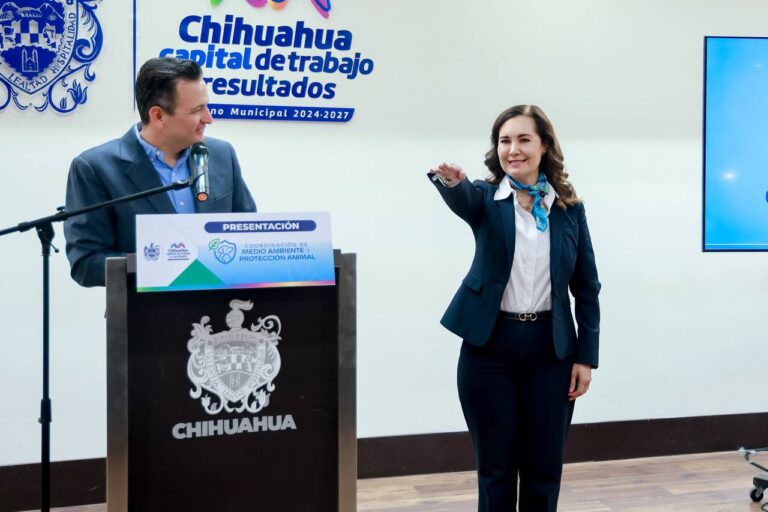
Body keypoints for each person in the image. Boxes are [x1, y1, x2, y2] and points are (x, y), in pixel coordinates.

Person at [428, 105, 600, 512]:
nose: (513, 149)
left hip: (551, 350)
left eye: (524, 139)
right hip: (489, 349)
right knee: (496, 471)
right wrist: (453, 182)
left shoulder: (569, 209)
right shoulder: (486, 199)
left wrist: (586, 356)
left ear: (544, 146)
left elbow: (587, 286)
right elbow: (464, 198)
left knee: (544, 471)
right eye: (505, 141)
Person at [64, 57, 256, 287]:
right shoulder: (95, 168)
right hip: (146, 307)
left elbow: (248, 236)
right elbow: (85, 264)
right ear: (158, 116)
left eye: (207, 106)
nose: (209, 118)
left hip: (221, 303)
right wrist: (163, 263)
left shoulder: (222, 155)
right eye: (198, 110)